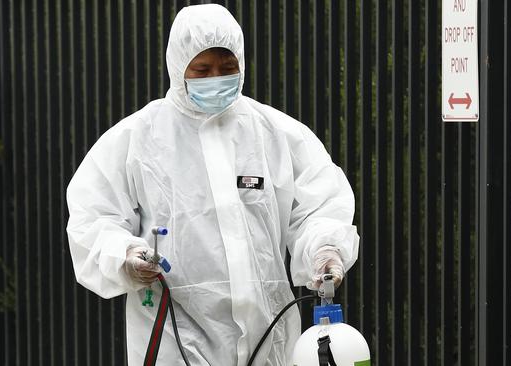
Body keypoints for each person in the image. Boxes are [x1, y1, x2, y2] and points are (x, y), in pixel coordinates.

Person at [66, 4, 359, 366]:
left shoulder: (276, 134)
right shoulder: (138, 138)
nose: (215, 78)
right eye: (202, 70)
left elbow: (320, 204)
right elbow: (93, 217)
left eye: (227, 68)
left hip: (269, 339)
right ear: (178, 68)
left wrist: (324, 249)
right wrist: (123, 256)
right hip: (174, 341)